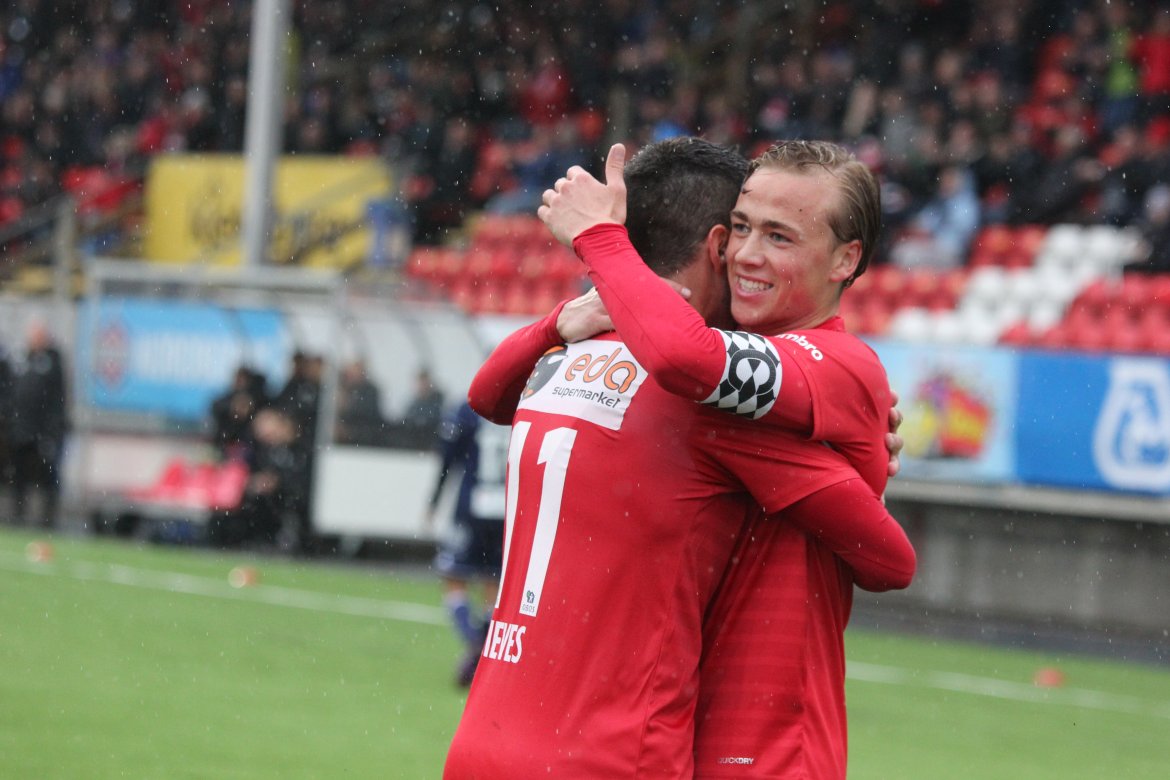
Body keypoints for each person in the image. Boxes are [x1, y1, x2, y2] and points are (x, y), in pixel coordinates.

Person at [443, 139, 914, 778]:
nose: (748, 254)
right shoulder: (708, 402)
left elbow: (489, 394)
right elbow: (889, 558)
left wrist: (584, 274)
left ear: (846, 259)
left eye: (779, 236)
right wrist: (850, 474)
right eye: (743, 228)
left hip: (514, 737)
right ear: (717, 243)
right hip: (645, 750)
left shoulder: (572, 358)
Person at [424, 400, 509, 687]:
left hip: (473, 507)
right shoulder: (525, 405)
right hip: (506, 509)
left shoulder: (468, 409)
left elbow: (448, 459)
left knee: (453, 577)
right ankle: (483, 654)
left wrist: (434, 501)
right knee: (493, 584)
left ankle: (474, 645)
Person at [9, 322, 70, 528]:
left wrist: (52, 430)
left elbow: (57, 399)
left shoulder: (53, 362)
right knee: (18, 475)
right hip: (22, 428)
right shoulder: (22, 359)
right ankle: (17, 515)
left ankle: (48, 519)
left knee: (48, 475)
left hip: (44, 430)